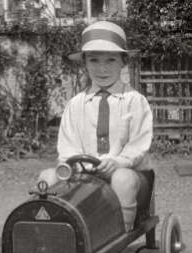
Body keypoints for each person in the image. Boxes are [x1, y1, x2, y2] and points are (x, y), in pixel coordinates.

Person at [38, 21, 153, 232]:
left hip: (128, 172)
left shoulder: (135, 101)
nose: (102, 68)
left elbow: (139, 144)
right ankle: (55, 235)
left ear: (124, 62)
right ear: (84, 63)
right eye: (94, 60)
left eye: (111, 60)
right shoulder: (75, 105)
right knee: (48, 177)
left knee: (122, 179)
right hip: (85, 173)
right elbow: (68, 146)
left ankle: (118, 235)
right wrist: (76, 165)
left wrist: (117, 162)